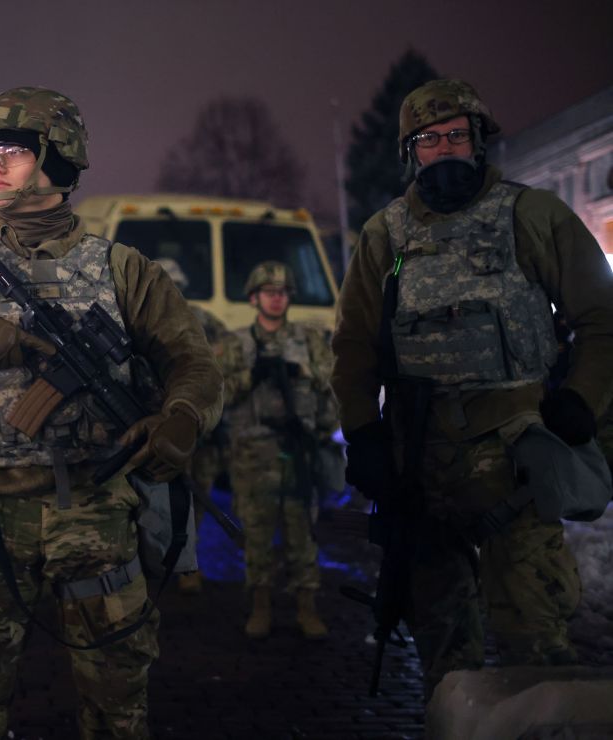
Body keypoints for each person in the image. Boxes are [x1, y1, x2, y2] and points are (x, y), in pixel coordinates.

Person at [0, 86, 223, 739]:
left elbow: (193, 362)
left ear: (57, 156)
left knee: (117, 701)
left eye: (14, 150)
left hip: (94, 510)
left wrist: (181, 418)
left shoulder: (121, 269)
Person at [332, 79, 613, 699]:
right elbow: (353, 346)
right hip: (421, 473)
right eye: (428, 139)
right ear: (411, 151)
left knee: (540, 652)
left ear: (479, 140)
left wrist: (581, 400)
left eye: (457, 134)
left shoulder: (534, 216)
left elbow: (602, 319)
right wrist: (364, 432)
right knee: (445, 663)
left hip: (518, 463)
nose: (445, 148)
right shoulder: (386, 235)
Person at [224, 262, 335, 640]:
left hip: (299, 450)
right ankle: (261, 607)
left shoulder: (309, 340)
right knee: (257, 535)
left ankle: (307, 607)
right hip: (254, 454)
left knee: (303, 533)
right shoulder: (236, 342)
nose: (276, 298)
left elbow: (329, 383)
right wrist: (250, 377)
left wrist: (300, 373)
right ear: (254, 297)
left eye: (283, 292)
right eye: (269, 291)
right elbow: (216, 393)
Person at [152, 257, 242, 594]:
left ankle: (187, 566)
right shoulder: (138, 323)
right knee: (151, 499)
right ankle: (153, 565)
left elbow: (226, 368)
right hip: (154, 428)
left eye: (175, 285)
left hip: (196, 431)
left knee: (194, 497)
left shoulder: (203, 322)